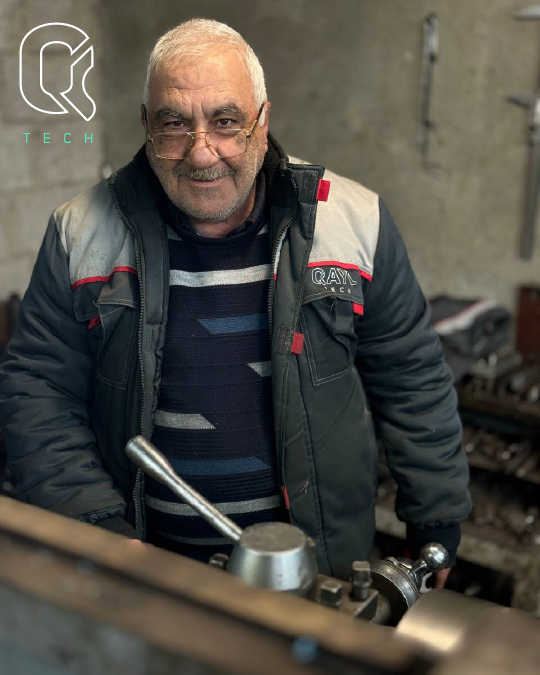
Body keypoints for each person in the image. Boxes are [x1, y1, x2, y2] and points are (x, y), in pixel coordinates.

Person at [0, 19, 471, 586]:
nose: (202, 154)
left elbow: (411, 375)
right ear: (146, 125)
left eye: (225, 122)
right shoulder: (80, 233)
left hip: (317, 577)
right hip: (144, 579)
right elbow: (37, 388)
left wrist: (436, 517)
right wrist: (97, 525)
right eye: (175, 124)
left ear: (262, 122)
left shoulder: (352, 222)